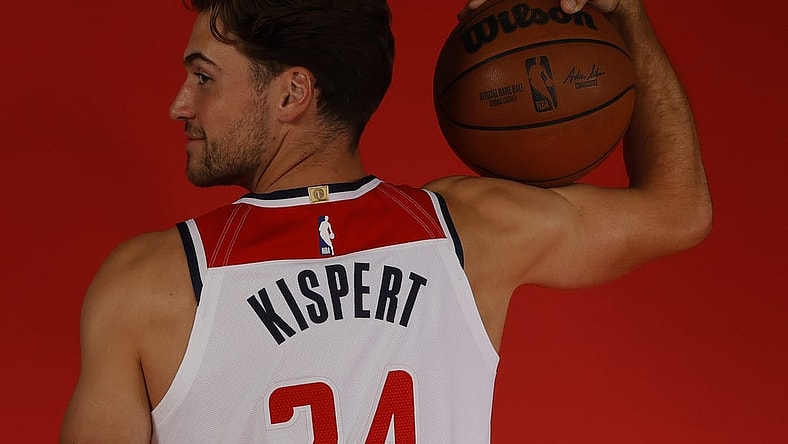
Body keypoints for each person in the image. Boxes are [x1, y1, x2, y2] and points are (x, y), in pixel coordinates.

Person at [60, 0, 712, 441]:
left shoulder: (150, 285)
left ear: (291, 93)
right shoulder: (471, 232)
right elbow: (679, 208)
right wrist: (625, 13)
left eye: (203, 77)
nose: (180, 104)